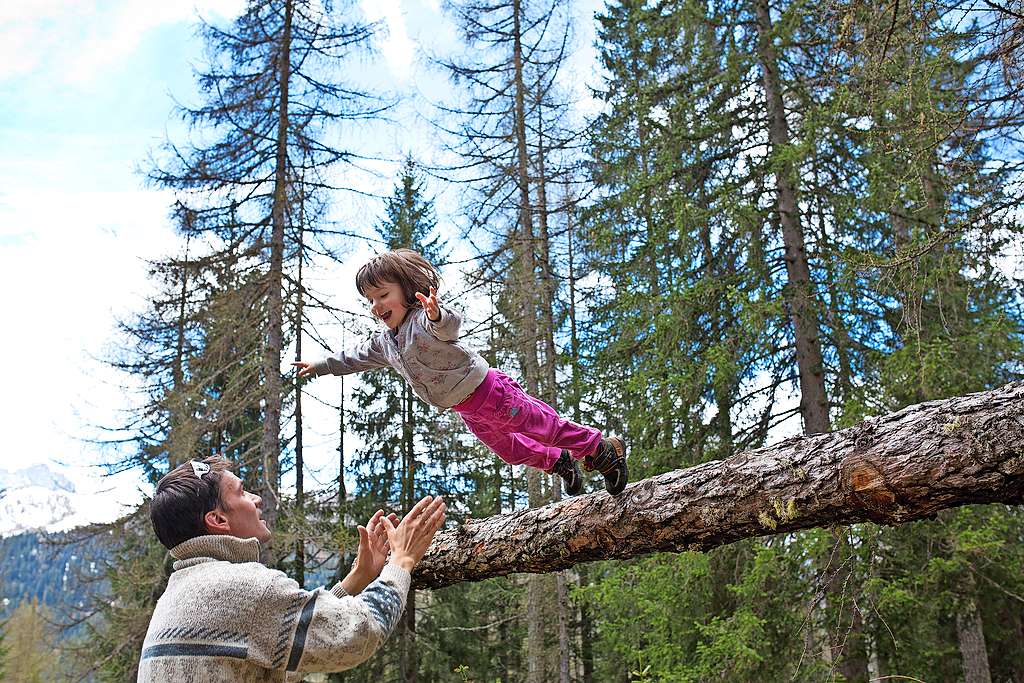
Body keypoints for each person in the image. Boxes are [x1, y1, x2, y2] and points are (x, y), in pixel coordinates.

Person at [292, 248, 628, 496]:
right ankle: (560, 463)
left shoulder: (424, 320)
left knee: (545, 428)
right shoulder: (384, 343)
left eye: (383, 295)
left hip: (492, 392)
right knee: (510, 450)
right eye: (370, 300)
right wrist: (320, 366)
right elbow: (354, 357)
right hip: (467, 410)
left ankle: (601, 449)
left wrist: (436, 314)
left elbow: (449, 328)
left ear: (407, 292)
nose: (377, 306)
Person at [138, 455, 446, 681]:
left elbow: (283, 656)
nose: (256, 499)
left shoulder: (178, 594)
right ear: (218, 520)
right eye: (242, 493)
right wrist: (401, 561)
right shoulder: (238, 585)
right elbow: (358, 634)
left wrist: (358, 579)